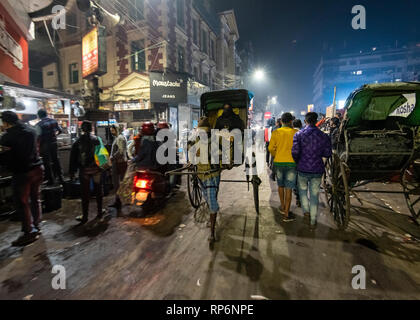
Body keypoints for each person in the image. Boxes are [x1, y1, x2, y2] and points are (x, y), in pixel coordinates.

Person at [0, 111, 44, 246]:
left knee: (22, 202)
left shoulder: (7, 137)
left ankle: (28, 232)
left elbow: (5, 155)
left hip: (22, 172)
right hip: (37, 169)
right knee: (35, 198)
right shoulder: (31, 130)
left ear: (6, 123)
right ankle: (37, 225)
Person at [292, 112, 332, 230]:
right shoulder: (324, 136)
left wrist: (299, 161)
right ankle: (313, 221)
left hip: (302, 168)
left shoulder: (299, 134)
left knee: (303, 192)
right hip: (317, 169)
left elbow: (295, 152)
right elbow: (327, 153)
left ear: (305, 121)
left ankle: (306, 213)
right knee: (314, 195)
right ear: (316, 121)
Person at [69, 121, 105, 224]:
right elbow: (102, 156)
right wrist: (104, 168)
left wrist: (72, 172)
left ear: (82, 129)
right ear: (91, 128)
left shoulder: (77, 141)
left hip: (84, 170)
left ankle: (85, 216)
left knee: (85, 193)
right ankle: (99, 212)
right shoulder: (97, 140)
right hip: (96, 170)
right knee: (99, 190)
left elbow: (73, 159)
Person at [269, 112, 298, 222]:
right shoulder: (296, 132)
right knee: (289, 188)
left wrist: (277, 155)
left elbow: (271, 148)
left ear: (281, 121)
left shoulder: (276, 132)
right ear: (291, 121)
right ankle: (286, 213)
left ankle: (282, 207)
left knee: (280, 186)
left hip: (279, 163)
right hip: (291, 163)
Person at [195, 117, 221, 243]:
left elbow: (222, 157)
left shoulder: (215, 141)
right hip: (200, 175)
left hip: (211, 176)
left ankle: (212, 232)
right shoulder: (195, 141)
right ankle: (212, 214)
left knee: (211, 202)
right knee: (207, 198)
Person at [35, 109, 64, 185]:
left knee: (47, 162)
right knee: (56, 160)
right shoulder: (54, 121)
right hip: (54, 143)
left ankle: (50, 180)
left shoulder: (39, 125)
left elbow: (38, 137)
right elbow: (60, 130)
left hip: (45, 144)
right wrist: (54, 136)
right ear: (46, 114)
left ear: (39, 115)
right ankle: (61, 178)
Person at [109, 124, 128, 214]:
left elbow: (120, 151)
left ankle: (119, 201)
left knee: (117, 183)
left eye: (112, 130)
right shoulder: (118, 137)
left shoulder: (120, 138)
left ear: (116, 130)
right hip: (119, 162)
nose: (111, 132)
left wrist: (113, 157)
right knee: (118, 183)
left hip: (119, 163)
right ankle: (119, 200)